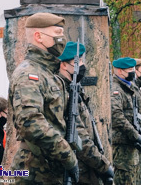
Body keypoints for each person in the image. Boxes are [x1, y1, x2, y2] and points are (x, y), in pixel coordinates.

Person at [8, 12, 78, 184]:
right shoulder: (29, 73)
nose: (62, 39)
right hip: (33, 169)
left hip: (50, 167)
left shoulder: (48, 72)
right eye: (57, 34)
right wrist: (68, 155)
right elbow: (31, 123)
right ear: (38, 36)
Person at [58, 42, 114, 185]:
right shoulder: (64, 92)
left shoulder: (75, 89)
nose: (82, 65)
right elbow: (80, 137)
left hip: (86, 167)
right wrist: (103, 166)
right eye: (78, 62)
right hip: (79, 168)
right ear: (63, 65)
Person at [111, 57, 141, 185]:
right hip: (122, 144)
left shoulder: (129, 87)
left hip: (131, 142)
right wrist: (135, 135)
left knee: (134, 178)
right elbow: (116, 116)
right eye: (129, 69)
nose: (132, 72)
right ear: (120, 71)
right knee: (125, 179)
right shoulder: (116, 89)